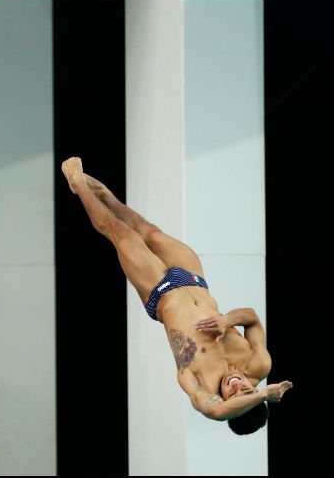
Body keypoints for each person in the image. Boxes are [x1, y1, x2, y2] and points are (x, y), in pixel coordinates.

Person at [61, 156, 292, 435]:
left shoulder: (201, 387)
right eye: (246, 387)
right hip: (194, 280)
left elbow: (216, 412)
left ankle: (78, 183)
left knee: (121, 234)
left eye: (234, 393)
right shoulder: (259, 364)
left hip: (160, 294)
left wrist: (259, 397)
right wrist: (227, 319)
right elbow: (253, 319)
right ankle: (97, 193)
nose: (236, 384)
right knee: (147, 229)